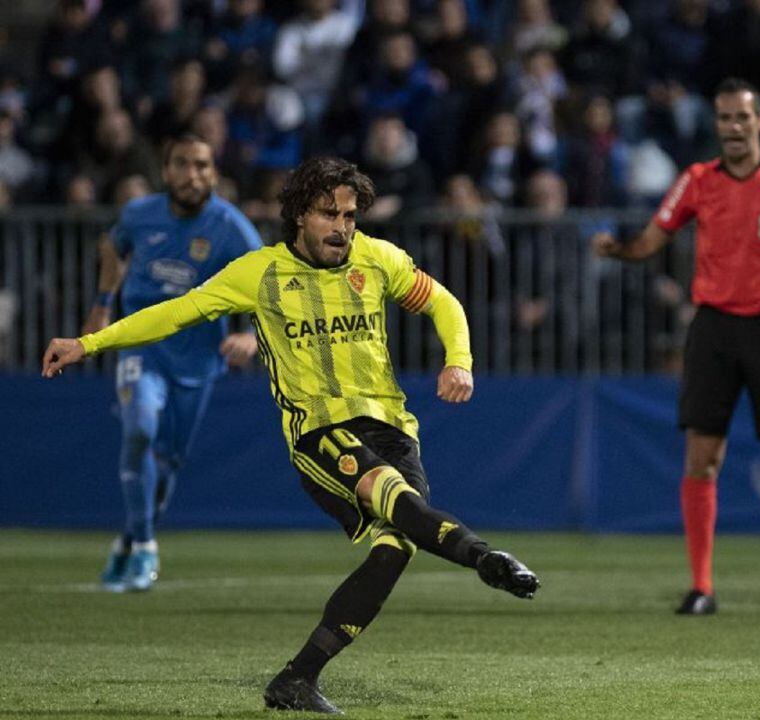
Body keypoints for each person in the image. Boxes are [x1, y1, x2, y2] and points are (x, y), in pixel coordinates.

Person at [43, 155, 540, 713]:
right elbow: (178, 312)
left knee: (394, 549)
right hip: (319, 432)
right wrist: (89, 344)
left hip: (395, 430)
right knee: (396, 502)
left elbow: (445, 302)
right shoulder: (260, 273)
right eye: (329, 213)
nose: (342, 226)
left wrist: (460, 361)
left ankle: (296, 680)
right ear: (299, 215)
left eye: (350, 214)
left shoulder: (377, 259)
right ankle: (485, 559)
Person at [592, 78, 760, 620]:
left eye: (742, 118)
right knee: (703, 458)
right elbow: (651, 241)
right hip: (714, 330)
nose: (733, 127)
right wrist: (618, 250)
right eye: (725, 118)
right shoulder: (697, 181)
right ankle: (701, 587)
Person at [80, 133, 265, 592]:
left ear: (214, 173)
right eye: (182, 164)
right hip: (142, 345)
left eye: (202, 165)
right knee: (139, 428)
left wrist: (252, 335)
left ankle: (128, 540)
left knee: (167, 462)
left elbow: (273, 289)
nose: (192, 174)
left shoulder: (233, 228)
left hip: (198, 359)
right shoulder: (140, 214)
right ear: (166, 172)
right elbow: (112, 246)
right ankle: (146, 548)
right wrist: (104, 304)